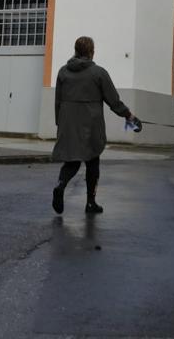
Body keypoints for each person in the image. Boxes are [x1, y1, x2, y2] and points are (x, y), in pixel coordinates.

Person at [51, 36, 137, 214]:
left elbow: (57, 101)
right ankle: (90, 203)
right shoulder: (99, 73)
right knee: (92, 163)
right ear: (91, 52)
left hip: (68, 124)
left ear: (75, 50)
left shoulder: (62, 72)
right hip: (90, 126)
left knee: (71, 162)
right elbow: (113, 101)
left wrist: (60, 124)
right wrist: (129, 116)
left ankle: (60, 185)